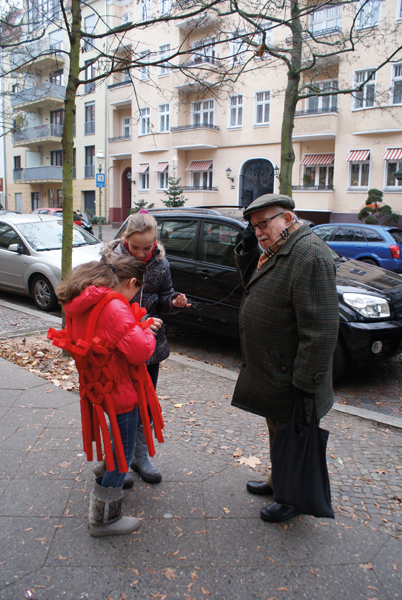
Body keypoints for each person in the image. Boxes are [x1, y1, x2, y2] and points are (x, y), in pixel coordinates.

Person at [232, 194, 339, 523]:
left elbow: (320, 329)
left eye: (265, 223)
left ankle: (292, 499)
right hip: (276, 371)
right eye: (254, 226)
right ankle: (277, 482)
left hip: (294, 377)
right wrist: (247, 244)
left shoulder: (309, 255)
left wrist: (305, 385)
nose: (260, 231)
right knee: (278, 432)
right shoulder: (278, 249)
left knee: (293, 437)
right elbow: (254, 280)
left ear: (289, 218)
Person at [55, 256, 157, 537]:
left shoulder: (80, 301)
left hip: (98, 386)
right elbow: (139, 351)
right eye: (136, 292)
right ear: (131, 283)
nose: (134, 297)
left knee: (118, 439)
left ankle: (105, 468)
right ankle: (105, 518)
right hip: (120, 389)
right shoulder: (112, 305)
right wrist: (148, 332)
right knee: (123, 456)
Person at [101, 211, 190, 486]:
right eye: (135, 247)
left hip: (148, 346)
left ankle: (140, 456)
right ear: (125, 238)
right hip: (117, 346)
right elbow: (100, 298)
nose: (141, 254)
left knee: (145, 403)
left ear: (155, 242)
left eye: (147, 248)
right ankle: (118, 460)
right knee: (119, 403)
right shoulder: (109, 261)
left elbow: (165, 297)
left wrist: (173, 303)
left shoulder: (161, 264)